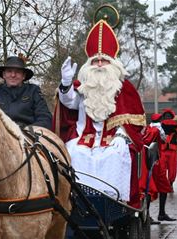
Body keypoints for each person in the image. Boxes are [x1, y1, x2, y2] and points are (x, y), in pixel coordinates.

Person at [54, 19, 146, 207]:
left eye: (104, 60)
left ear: (113, 64)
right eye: (95, 61)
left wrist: (121, 136)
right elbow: (68, 102)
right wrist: (65, 83)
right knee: (74, 152)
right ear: (89, 65)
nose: (99, 64)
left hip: (114, 137)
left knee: (114, 154)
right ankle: (77, 197)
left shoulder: (123, 88)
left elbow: (134, 122)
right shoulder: (83, 87)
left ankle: (113, 199)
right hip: (83, 137)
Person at [0, 56, 52, 129]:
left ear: (24, 76)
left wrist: (29, 131)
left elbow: (44, 117)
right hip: (0, 135)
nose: (13, 75)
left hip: (29, 135)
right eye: (9, 71)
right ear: (4, 75)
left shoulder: (33, 91)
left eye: (18, 72)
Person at [141, 113, 176, 222]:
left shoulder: (149, 129)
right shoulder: (156, 131)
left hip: (154, 162)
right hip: (155, 163)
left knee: (162, 188)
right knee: (150, 189)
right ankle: (148, 215)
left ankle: (161, 213)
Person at [159, 108, 177, 188]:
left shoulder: (176, 127)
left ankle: (170, 183)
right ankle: (165, 184)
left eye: (169, 116)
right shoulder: (160, 126)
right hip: (163, 149)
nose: (167, 117)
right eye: (166, 116)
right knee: (163, 168)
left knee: (172, 168)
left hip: (171, 149)